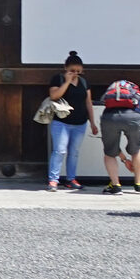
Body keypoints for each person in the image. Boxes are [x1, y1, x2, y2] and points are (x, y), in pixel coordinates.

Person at [40, 51, 98, 191]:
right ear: (65, 68)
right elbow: (54, 96)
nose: (75, 73)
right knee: (59, 150)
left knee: (74, 151)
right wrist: (67, 82)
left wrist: (92, 122)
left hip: (80, 122)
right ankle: (53, 180)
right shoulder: (58, 79)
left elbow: (88, 103)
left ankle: (71, 179)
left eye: (78, 71)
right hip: (61, 122)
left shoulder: (84, 82)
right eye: (72, 70)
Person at [95, 78, 140, 193]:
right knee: (136, 149)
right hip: (134, 118)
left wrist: (124, 160)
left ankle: (115, 186)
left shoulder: (110, 104)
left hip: (110, 118)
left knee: (109, 152)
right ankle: (139, 184)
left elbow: (113, 147)